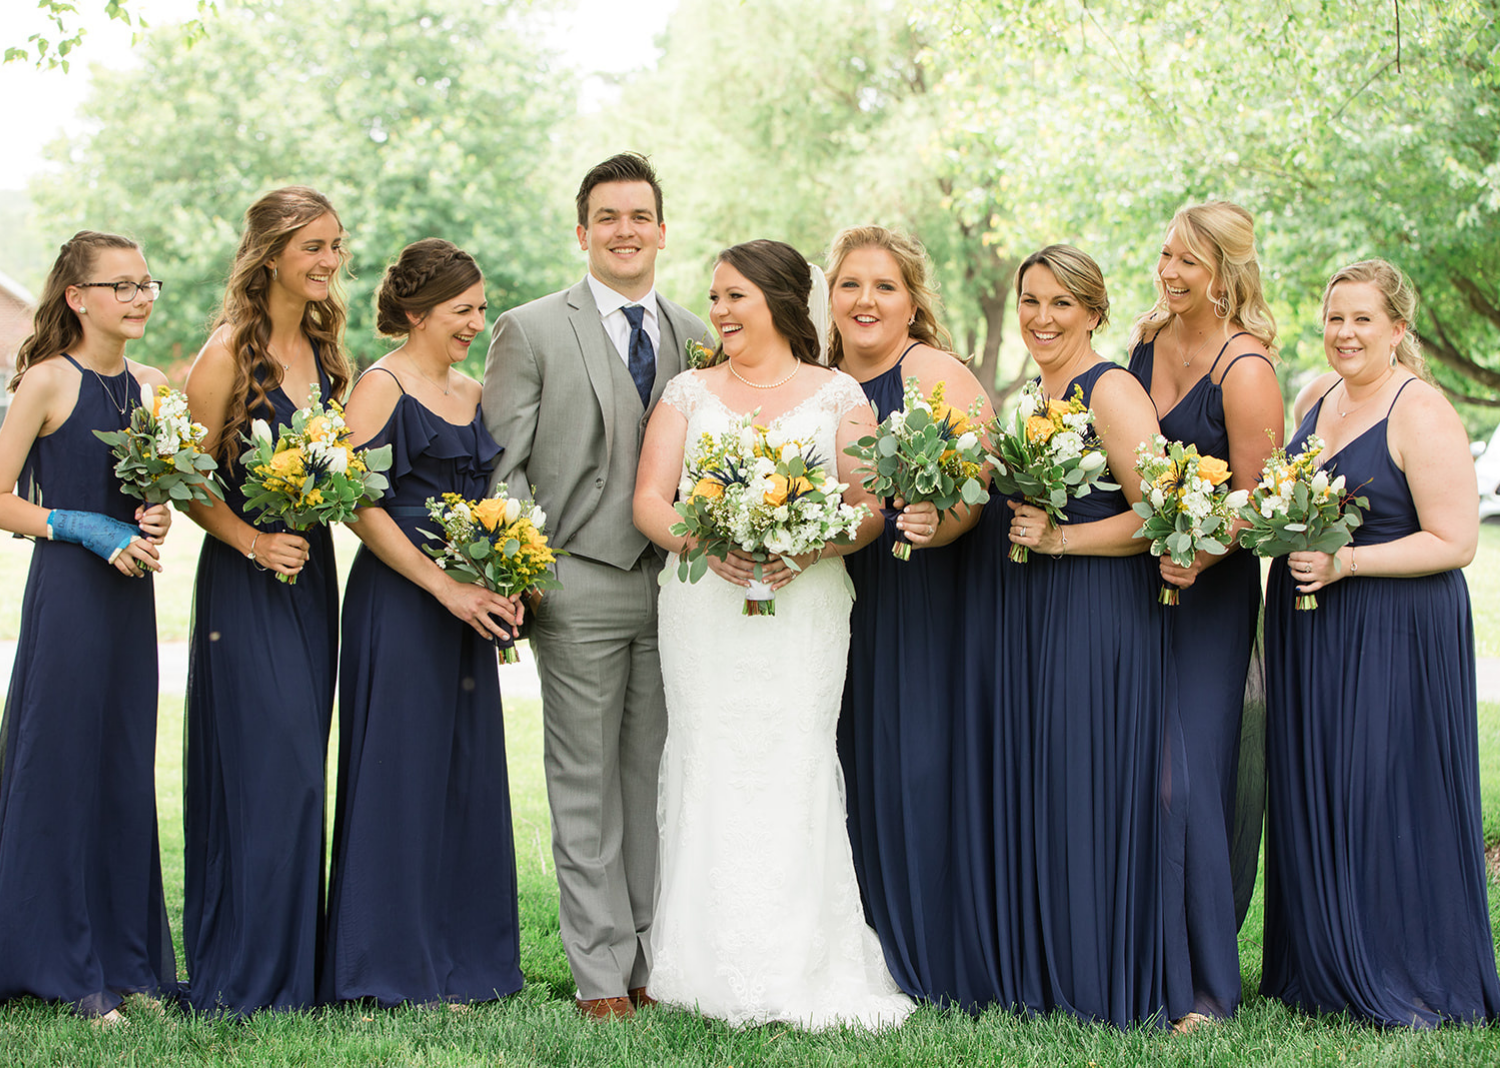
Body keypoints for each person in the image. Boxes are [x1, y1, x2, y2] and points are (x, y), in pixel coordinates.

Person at [633, 238, 912, 1030]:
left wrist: (810, 543)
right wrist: (704, 539)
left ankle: (803, 958)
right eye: (715, 297)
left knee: (794, 757)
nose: (717, 311)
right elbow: (650, 500)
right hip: (705, 607)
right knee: (710, 755)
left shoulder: (837, 395)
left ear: (780, 304)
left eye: (733, 297)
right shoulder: (689, 392)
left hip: (806, 605)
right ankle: (698, 963)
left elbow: (866, 510)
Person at [482, 152, 707, 1020]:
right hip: (574, 584)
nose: (624, 230)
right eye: (606, 217)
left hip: (681, 593)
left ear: (661, 229)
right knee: (585, 785)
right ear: (583, 232)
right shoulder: (531, 328)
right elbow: (502, 472)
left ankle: (655, 957)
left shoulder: (696, 332)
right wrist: (529, 573)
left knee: (654, 782)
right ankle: (602, 976)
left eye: (639, 215)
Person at [1261, 259, 1500, 1027]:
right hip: (1314, 629)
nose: (1346, 332)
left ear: (1398, 328)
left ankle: (1407, 971)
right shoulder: (1315, 398)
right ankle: (1325, 966)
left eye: (1364, 318)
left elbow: (1457, 540)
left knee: (1383, 791)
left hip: (1395, 630)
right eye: (1336, 317)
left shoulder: (1419, 408)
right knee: (1319, 783)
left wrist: (1348, 562)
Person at [321, 240, 523, 1007]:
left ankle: (470, 961)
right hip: (403, 601)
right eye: (461, 310)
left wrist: (503, 576)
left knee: (465, 776)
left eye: (479, 306)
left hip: (470, 605)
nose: (476, 321)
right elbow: (356, 504)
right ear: (415, 313)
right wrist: (443, 586)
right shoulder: (380, 386)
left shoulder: (473, 392)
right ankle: (387, 966)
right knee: (400, 775)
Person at [181, 186, 352, 1015]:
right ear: (272, 254)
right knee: (269, 769)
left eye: (335, 246)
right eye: (313, 246)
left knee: (300, 774)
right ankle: (246, 975)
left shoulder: (325, 349)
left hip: (312, 578)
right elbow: (184, 480)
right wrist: (250, 540)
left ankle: (298, 971)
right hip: (244, 581)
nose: (328, 262)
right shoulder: (225, 354)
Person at [1003, 246, 1181, 1028]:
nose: (1042, 318)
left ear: (1095, 313)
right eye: (1031, 301)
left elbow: (1160, 517)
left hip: (1100, 607)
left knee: (1094, 779)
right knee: (1055, 777)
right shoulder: (1033, 392)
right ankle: (1057, 963)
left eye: (1061, 305)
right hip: (1040, 608)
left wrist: (1061, 543)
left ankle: (1107, 970)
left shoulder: (1110, 388)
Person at [0, 231, 175, 1023]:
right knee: (63, 767)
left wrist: (155, 515)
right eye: (123, 286)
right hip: (69, 594)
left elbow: (155, 490)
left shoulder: (154, 384)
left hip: (131, 597)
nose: (140, 298)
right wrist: (78, 524)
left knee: (122, 770)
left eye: (147, 285)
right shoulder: (45, 381)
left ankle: (127, 957)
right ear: (78, 297)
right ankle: (66, 968)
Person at [823, 225, 993, 1008]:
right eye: (851, 284)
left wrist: (941, 520)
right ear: (829, 296)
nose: (866, 300)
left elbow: (973, 485)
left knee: (918, 763)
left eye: (884, 286)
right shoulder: (817, 380)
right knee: (844, 764)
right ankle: (852, 944)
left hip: (920, 591)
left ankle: (932, 948)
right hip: (829, 595)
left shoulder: (933, 372)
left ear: (913, 300)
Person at [1126, 202, 1283, 1025]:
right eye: (1165, 255)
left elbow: (1262, 504)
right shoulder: (1147, 341)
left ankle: (1210, 990)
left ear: (1225, 271)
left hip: (1210, 594)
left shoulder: (1246, 368)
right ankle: (1148, 965)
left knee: (1186, 785)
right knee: (1139, 773)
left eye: (1189, 261)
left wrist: (1203, 550)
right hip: (1138, 586)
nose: (1170, 273)